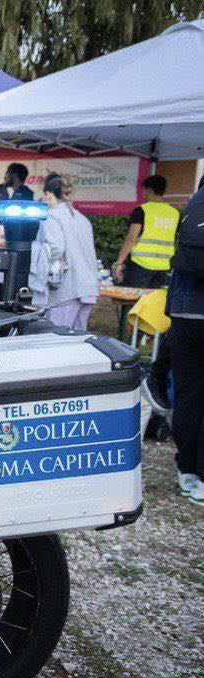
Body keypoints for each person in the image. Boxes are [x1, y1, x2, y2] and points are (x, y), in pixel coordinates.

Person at [166, 179, 204, 505]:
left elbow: (177, 264)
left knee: (189, 393)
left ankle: (187, 469)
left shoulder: (192, 206)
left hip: (184, 314)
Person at [29, 173, 100, 330]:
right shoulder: (82, 219)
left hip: (66, 289)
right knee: (77, 342)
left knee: (55, 340)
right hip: (87, 288)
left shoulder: (51, 216)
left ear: (48, 194)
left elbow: (55, 248)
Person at [114, 174, 179, 288]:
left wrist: (119, 262)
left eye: (143, 190)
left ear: (149, 190)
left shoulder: (141, 210)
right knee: (155, 303)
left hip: (140, 265)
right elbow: (176, 241)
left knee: (134, 302)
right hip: (164, 268)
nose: (142, 193)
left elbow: (131, 237)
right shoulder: (175, 213)